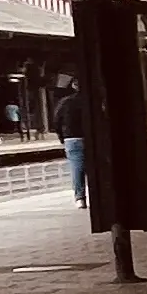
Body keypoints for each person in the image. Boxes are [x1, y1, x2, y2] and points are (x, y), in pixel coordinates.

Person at [54, 79, 87, 213]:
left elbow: (56, 121)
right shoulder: (90, 101)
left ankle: (80, 199)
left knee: (76, 168)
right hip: (90, 137)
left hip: (71, 138)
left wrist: (62, 138)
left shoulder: (64, 102)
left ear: (74, 86)